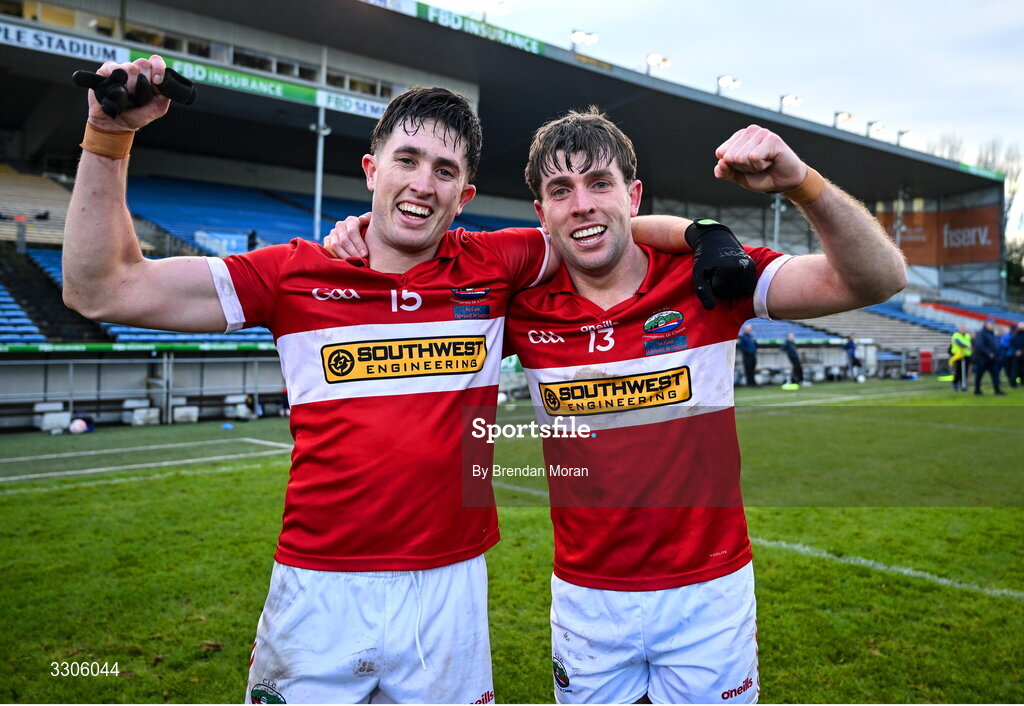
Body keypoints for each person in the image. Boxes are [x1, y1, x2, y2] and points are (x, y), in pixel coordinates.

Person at [62, 55, 753, 704]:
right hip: (317, 586)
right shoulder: (293, 274)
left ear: (465, 193)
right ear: (371, 169)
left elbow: (602, 224)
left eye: (445, 170)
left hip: (449, 588)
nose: (423, 183)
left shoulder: (497, 262)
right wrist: (108, 135)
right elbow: (104, 290)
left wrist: (704, 232)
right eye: (408, 160)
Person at [498, 109, 905, 703]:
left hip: (708, 591)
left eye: (599, 182)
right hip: (587, 599)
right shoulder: (521, 305)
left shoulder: (708, 276)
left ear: (633, 195)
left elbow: (880, 279)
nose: (581, 204)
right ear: (542, 214)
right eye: (561, 190)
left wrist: (801, 182)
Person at [973, 319, 1005, 396]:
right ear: (986, 324)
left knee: (995, 374)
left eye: (993, 324)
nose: (992, 326)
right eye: (991, 324)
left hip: (992, 359)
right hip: (983, 359)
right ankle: (977, 390)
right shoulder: (981, 333)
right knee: (979, 375)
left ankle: (997, 390)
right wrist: (989, 353)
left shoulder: (991, 334)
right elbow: (979, 345)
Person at [949, 324, 972, 392]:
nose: (964, 330)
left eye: (965, 328)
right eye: (962, 328)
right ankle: (956, 383)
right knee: (959, 371)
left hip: (966, 355)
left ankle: (963, 385)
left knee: (965, 372)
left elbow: (970, 343)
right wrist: (966, 346)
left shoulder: (967, 335)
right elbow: (958, 343)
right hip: (958, 356)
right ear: (959, 329)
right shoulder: (956, 335)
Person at [1009, 322, 1024, 388]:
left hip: (1018, 354)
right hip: (1016, 355)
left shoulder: (1014, 335)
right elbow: (1011, 344)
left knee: (1019, 370)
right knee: (1015, 370)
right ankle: (1015, 383)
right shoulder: (1014, 335)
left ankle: (1019, 382)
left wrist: (1019, 351)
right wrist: (1017, 351)